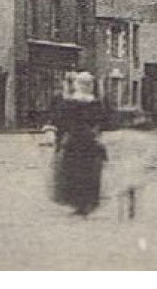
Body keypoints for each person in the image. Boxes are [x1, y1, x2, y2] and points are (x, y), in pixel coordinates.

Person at [52, 71, 108, 216]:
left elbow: (62, 122)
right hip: (85, 142)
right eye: (84, 83)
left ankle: (80, 203)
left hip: (78, 141)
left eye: (87, 83)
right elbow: (103, 121)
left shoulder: (73, 102)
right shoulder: (93, 103)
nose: (85, 86)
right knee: (83, 173)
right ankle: (83, 203)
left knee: (79, 172)